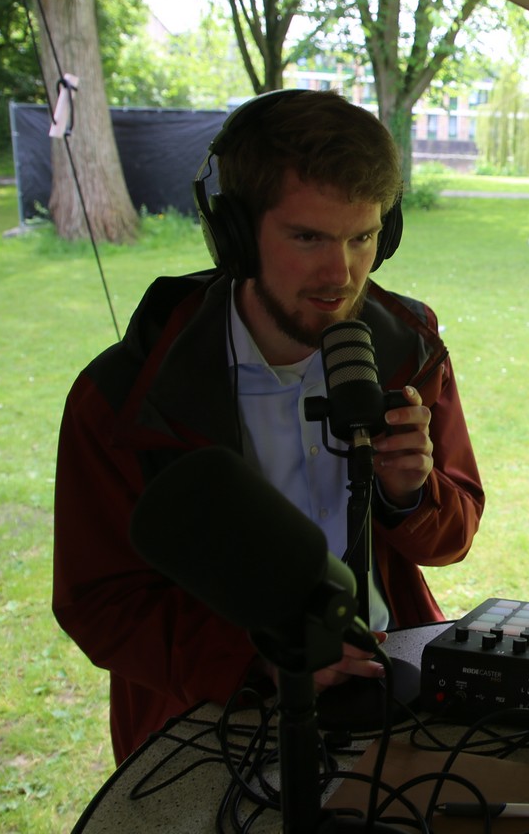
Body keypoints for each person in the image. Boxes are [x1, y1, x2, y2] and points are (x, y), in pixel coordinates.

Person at [52, 89, 484, 764]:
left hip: (387, 688)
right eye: (307, 237)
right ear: (234, 233)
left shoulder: (409, 352)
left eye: (363, 237)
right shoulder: (123, 398)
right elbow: (100, 601)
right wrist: (262, 661)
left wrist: (407, 494)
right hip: (216, 709)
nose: (341, 274)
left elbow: (452, 536)